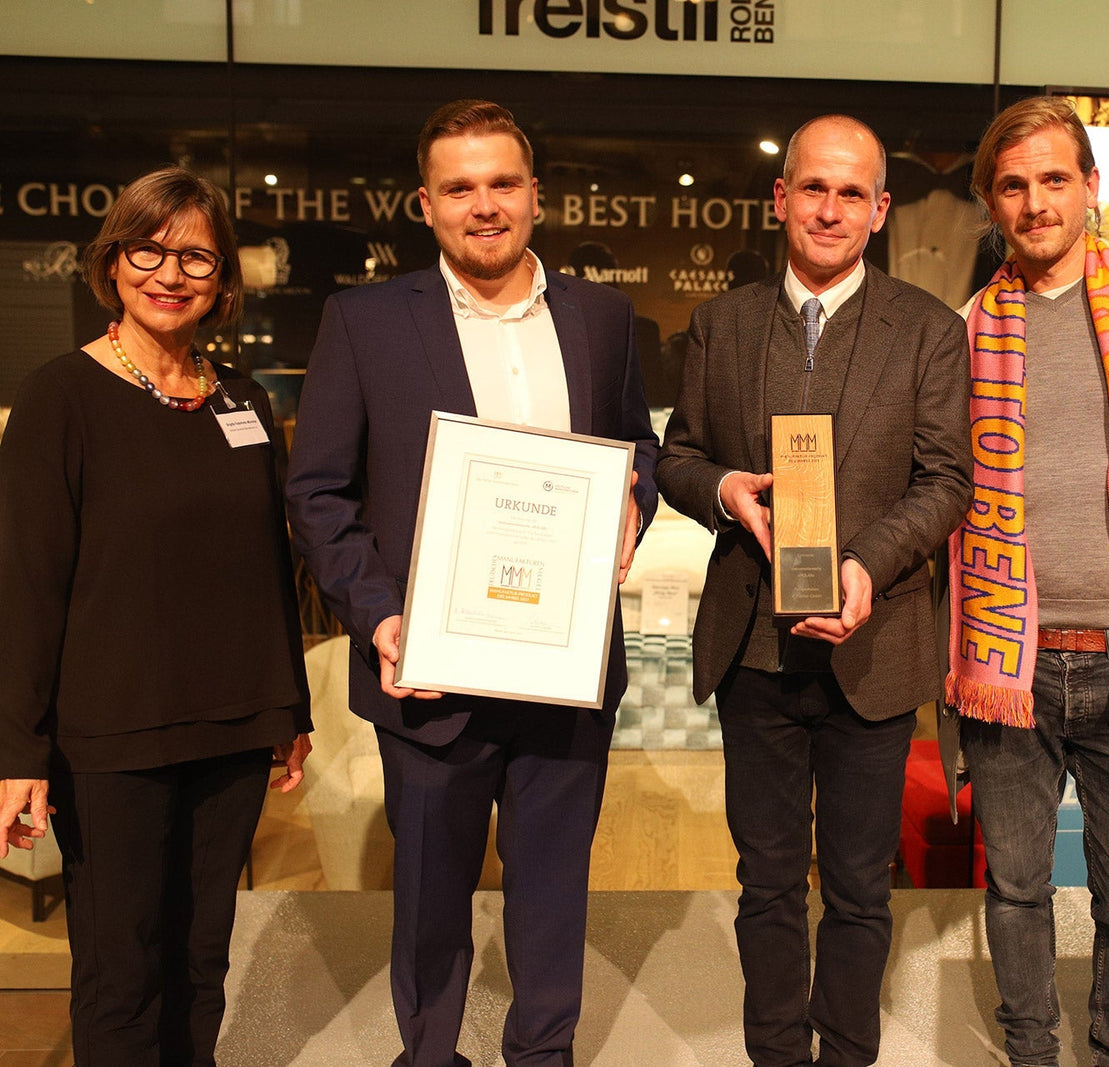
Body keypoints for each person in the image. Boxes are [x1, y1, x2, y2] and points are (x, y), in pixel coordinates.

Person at [285, 99, 656, 1067]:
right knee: (429, 902)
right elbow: (318, 492)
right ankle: (429, 1055)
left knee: (553, 895)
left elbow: (637, 447)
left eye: (501, 183)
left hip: (567, 667)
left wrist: (634, 498)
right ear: (425, 203)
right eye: (459, 188)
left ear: (536, 195)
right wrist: (381, 616)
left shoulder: (603, 317)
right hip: (430, 669)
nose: (482, 205)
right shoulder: (364, 321)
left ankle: (543, 1054)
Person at [656, 114, 971, 1067]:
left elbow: (946, 480)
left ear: (879, 209)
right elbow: (678, 457)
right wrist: (724, 490)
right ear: (780, 198)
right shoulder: (722, 323)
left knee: (861, 885)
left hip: (872, 648)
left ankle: (848, 1052)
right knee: (765, 881)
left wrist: (866, 563)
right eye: (813, 188)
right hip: (752, 646)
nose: (829, 209)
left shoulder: (929, 331)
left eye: (850, 193)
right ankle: (777, 1053)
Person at [0, 165, 313, 1065]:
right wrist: (17, 751)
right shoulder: (60, 396)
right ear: (113, 262)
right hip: (111, 739)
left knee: (202, 963)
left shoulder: (244, 400)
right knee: (121, 971)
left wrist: (288, 708)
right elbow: (25, 584)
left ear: (223, 279)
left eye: (196, 257)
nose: (170, 274)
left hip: (231, 730)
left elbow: (267, 568)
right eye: (148, 250)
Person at [940, 96, 1109, 1067]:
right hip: (1005, 658)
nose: (1035, 201)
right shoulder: (963, 330)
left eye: (1054, 178)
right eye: (1012, 185)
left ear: (1092, 185)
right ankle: (1032, 1052)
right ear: (990, 203)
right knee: (1016, 887)